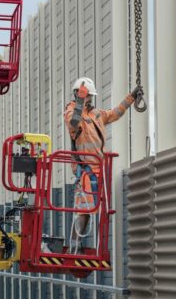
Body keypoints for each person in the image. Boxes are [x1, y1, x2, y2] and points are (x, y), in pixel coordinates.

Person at [63, 77, 144, 249]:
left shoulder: (96, 114)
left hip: (98, 168)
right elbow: (73, 123)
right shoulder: (71, 110)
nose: (90, 99)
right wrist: (79, 102)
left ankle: (88, 247)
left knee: (96, 210)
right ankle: (73, 247)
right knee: (84, 210)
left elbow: (115, 113)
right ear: (78, 94)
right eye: (87, 95)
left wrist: (131, 97)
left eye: (90, 96)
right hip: (85, 169)